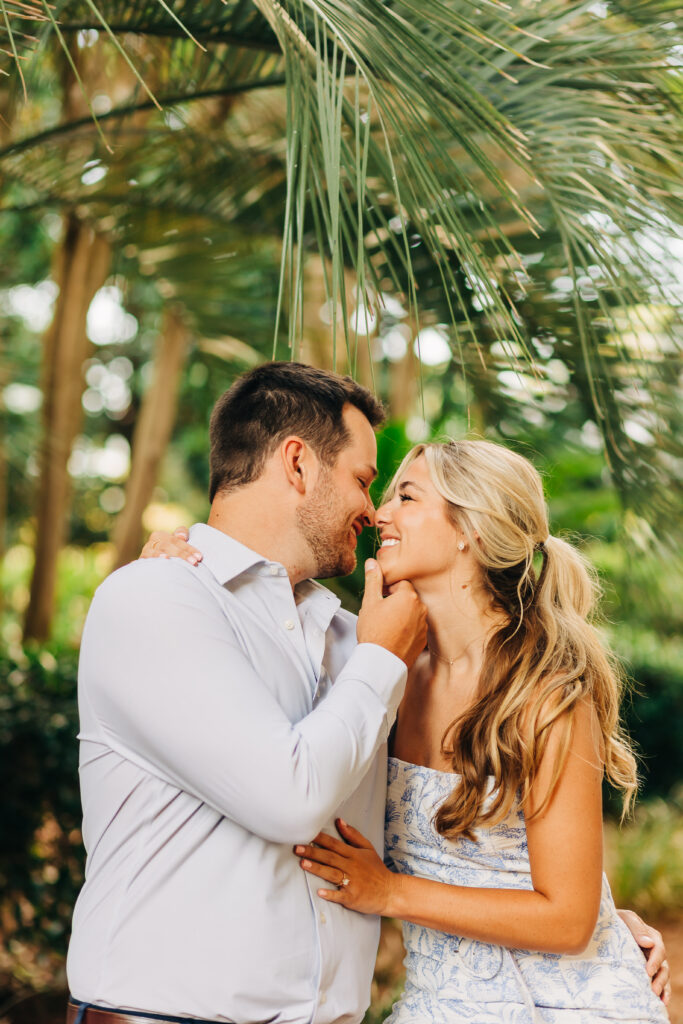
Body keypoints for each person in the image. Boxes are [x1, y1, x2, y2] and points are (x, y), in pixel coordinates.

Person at [148, 424, 671, 1014]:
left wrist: (391, 891)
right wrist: (178, 567)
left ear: (470, 530)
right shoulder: (374, 667)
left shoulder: (546, 694)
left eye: (406, 496)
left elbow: (568, 921)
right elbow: (258, 640)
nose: (377, 514)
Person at [66, 361, 429, 1024]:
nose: (372, 512)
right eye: (361, 479)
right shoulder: (154, 598)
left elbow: (445, 822)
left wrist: (595, 937)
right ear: (297, 464)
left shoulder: (357, 641)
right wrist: (380, 658)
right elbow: (289, 798)